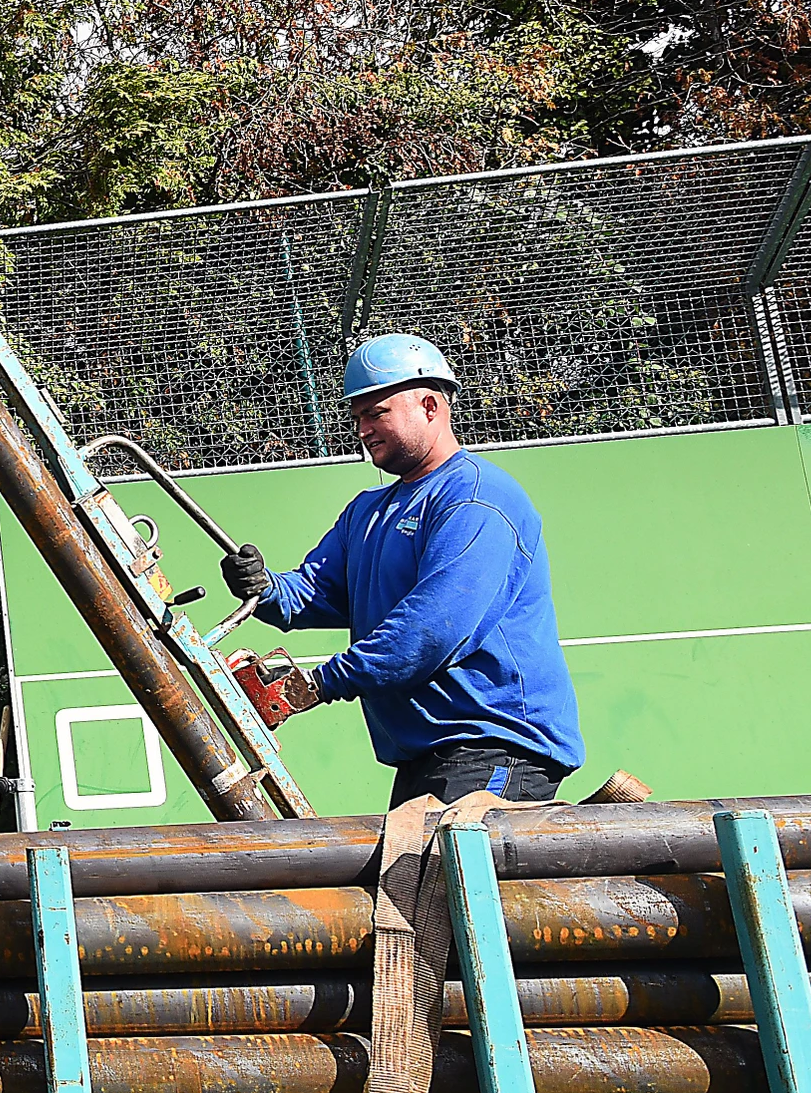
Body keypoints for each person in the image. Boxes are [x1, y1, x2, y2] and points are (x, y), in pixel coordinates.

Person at [219, 333, 584, 807]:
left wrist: (317, 684)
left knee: (444, 876)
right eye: (357, 418)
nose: (363, 429)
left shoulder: (475, 498)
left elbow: (432, 629)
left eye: (377, 413)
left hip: (494, 746)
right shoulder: (367, 511)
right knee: (410, 881)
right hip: (429, 755)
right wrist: (266, 588)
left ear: (430, 406)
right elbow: (316, 590)